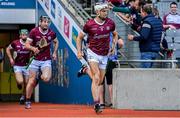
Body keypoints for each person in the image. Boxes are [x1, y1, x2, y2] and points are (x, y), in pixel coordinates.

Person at [76, 2, 118, 113]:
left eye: (106, 11)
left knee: (99, 81)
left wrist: (113, 46)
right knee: (96, 77)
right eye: (103, 11)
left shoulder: (110, 23)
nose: (106, 13)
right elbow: (79, 38)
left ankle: (85, 70)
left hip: (104, 55)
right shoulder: (89, 24)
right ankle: (96, 104)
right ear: (97, 12)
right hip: (92, 53)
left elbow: (115, 34)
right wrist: (79, 51)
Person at [24, 15, 59, 109]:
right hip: (34, 60)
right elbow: (26, 45)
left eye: (48, 22)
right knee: (31, 82)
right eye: (44, 21)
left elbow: (56, 41)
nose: (46, 23)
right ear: (40, 22)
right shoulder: (33, 32)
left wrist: (55, 52)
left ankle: (39, 76)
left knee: (46, 78)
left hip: (46, 60)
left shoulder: (51, 33)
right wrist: (33, 48)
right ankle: (27, 100)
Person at [6, 29, 31, 105]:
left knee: (27, 83)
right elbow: (7, 49)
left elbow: (33, 52)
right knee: (20, 81)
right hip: (17, 65)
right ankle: (19, 83)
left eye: (26, 34)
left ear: (28, 35)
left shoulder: (30, 43)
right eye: (23, 34)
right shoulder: (15, 43)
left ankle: (23, 97)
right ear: (20, 35)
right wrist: (10, 59)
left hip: (26, 66)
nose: (24, 36)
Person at [100, 35, 124, 109]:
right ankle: (112, 102)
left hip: (101, 60)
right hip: (112, 61)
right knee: (110, 83)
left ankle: (101, 103)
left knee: (100, 83)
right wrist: (116, 48)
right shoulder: (114, 35)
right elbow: (121, 43)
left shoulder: (100, 33)